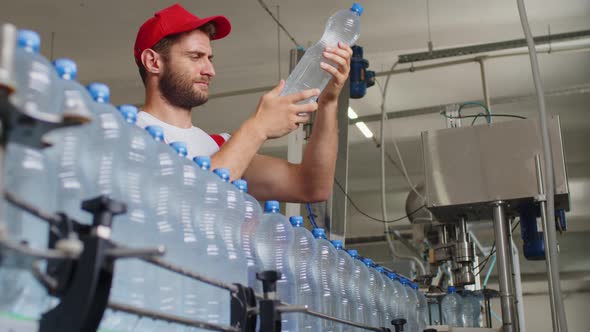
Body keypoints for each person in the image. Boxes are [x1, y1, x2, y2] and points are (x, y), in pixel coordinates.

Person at [134, 3, 352, 202]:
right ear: (153, 62)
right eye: (195, 56)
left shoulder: (220, 146)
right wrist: (258, 127)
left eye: (209, 58)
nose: (210, 71)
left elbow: (312, 187)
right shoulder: (127, 134)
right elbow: (189, 203)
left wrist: (328, 102)